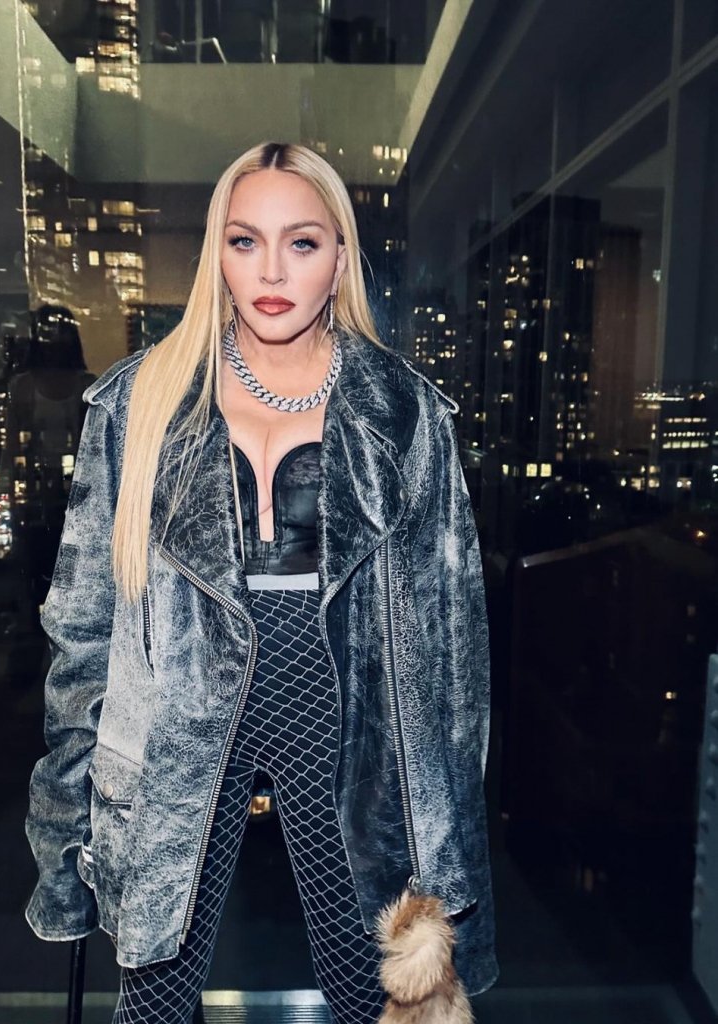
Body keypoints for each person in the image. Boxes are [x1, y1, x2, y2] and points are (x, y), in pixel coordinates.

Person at [24, 141, 498, 1023]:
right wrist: (65, 821)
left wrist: (449, 843)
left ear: (340, 259)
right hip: (173, 736)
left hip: (349, 733)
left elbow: (453, 650)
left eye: (301, 242)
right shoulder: (139, 403)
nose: (271, 271)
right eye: (245, 241)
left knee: (376, 994)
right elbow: (82, 629)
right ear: (218, 255)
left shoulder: (403, 411)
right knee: (154, 1002)